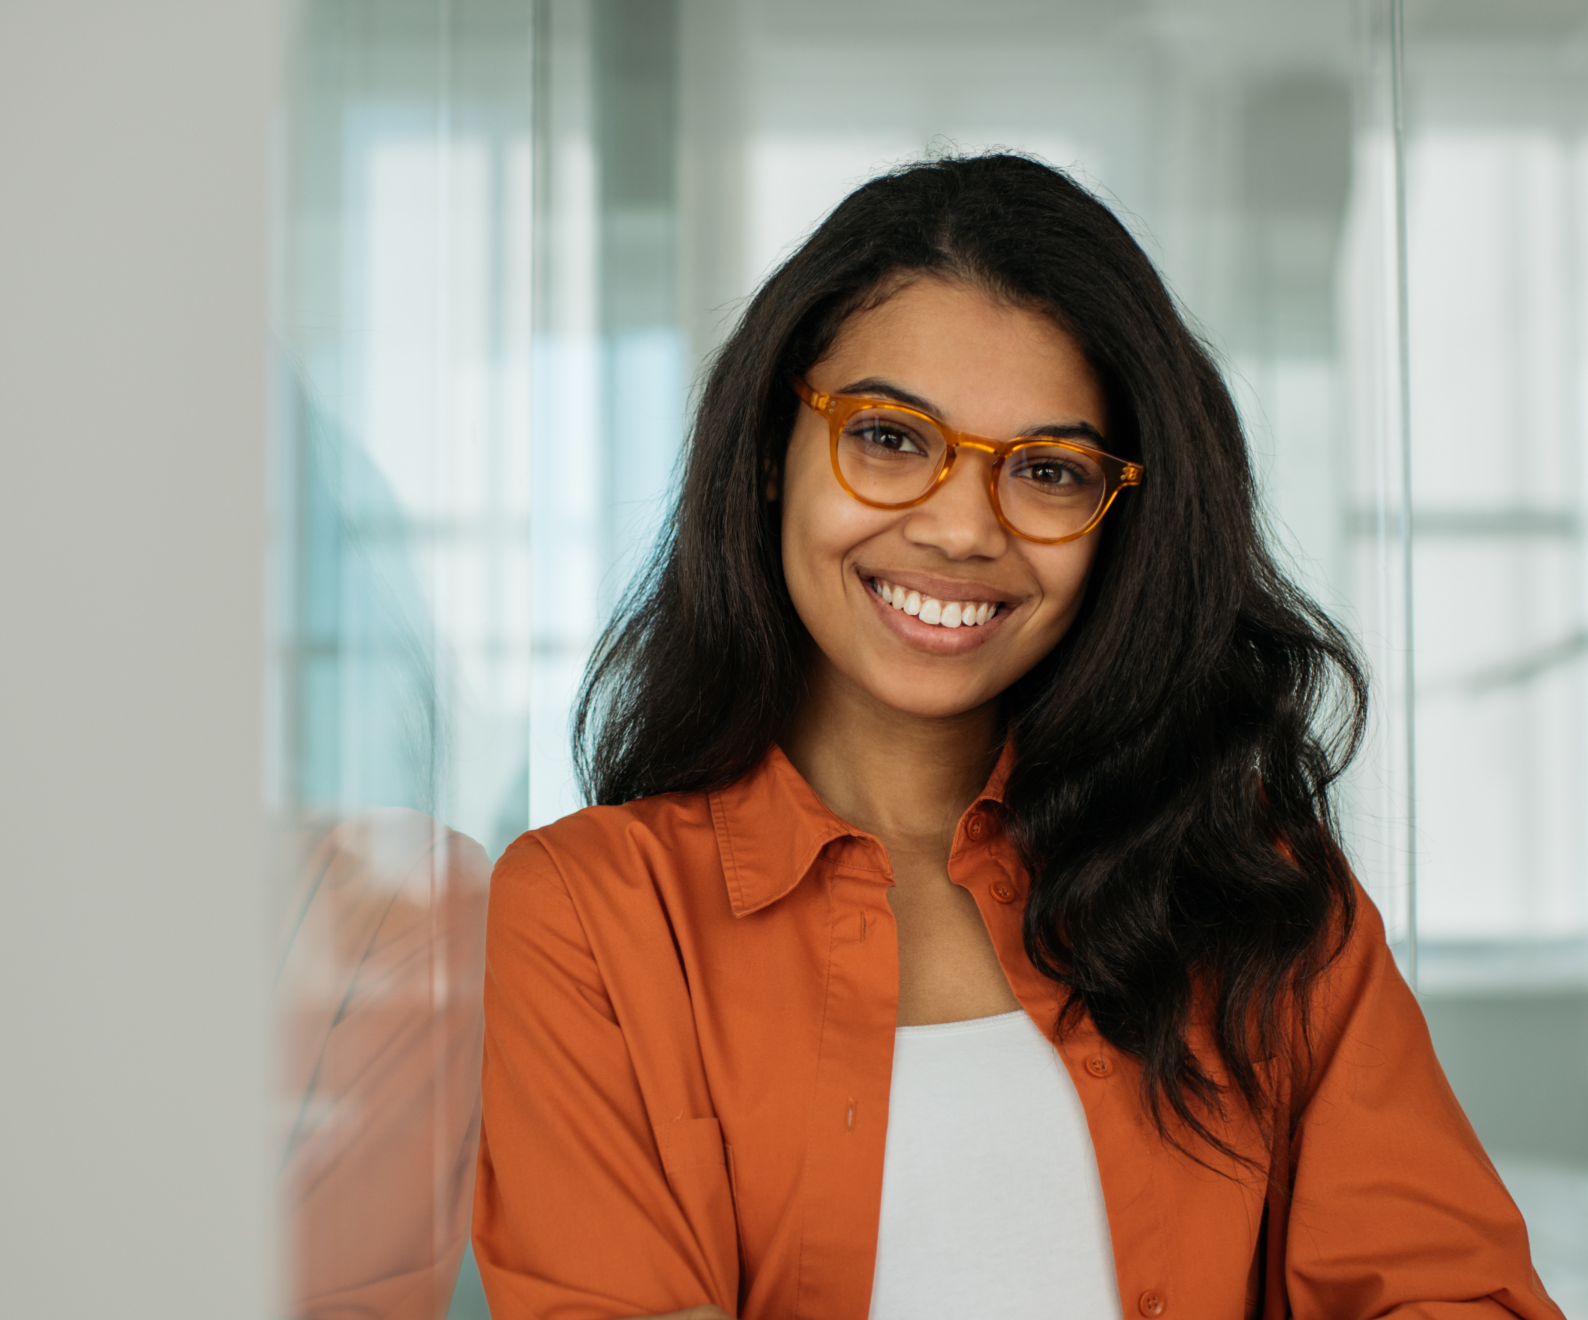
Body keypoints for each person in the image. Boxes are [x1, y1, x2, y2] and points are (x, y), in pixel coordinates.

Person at [469, 154, 1561, 1320]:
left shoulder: (1257, 888)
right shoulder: (587, 917)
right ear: (768, 458)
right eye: (888, 438)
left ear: (1120, 527)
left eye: (1046, 470)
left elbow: (1449, 1297)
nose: (957, 529)